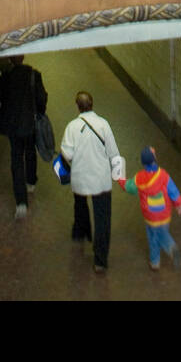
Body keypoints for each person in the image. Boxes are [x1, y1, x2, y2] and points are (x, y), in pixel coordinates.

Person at [60, 91, 121, 273]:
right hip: (101, 180)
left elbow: (67, 154)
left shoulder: (72, 127)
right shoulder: (103, 124)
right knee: (102, 218)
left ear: (77, 106)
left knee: (80, 203)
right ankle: (100, 259)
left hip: (80, 178)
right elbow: (113, 153)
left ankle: (81, 231)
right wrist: (119, 177)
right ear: (92, 104)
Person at [0, 55, 48, 218]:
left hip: (13, 126)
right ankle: (31, 181)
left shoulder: (6, 77)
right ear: (23, 58)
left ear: (11, 60)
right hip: (30, 123)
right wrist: (40, 112)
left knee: (16, 160)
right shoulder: (34, 75)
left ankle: (21, 203)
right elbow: (42, 98)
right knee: (30, 151)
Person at [117, 145, 181, 272]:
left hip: (150, 216)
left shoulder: (139, 178)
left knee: (153, 236)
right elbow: (173, 190)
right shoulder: (163, 175)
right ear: (154, 159)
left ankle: (157, 260)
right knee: (162, 232)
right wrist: (178, 204)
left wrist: (120, 179)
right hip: (164, 214)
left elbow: (128, 187)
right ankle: (168, 249)